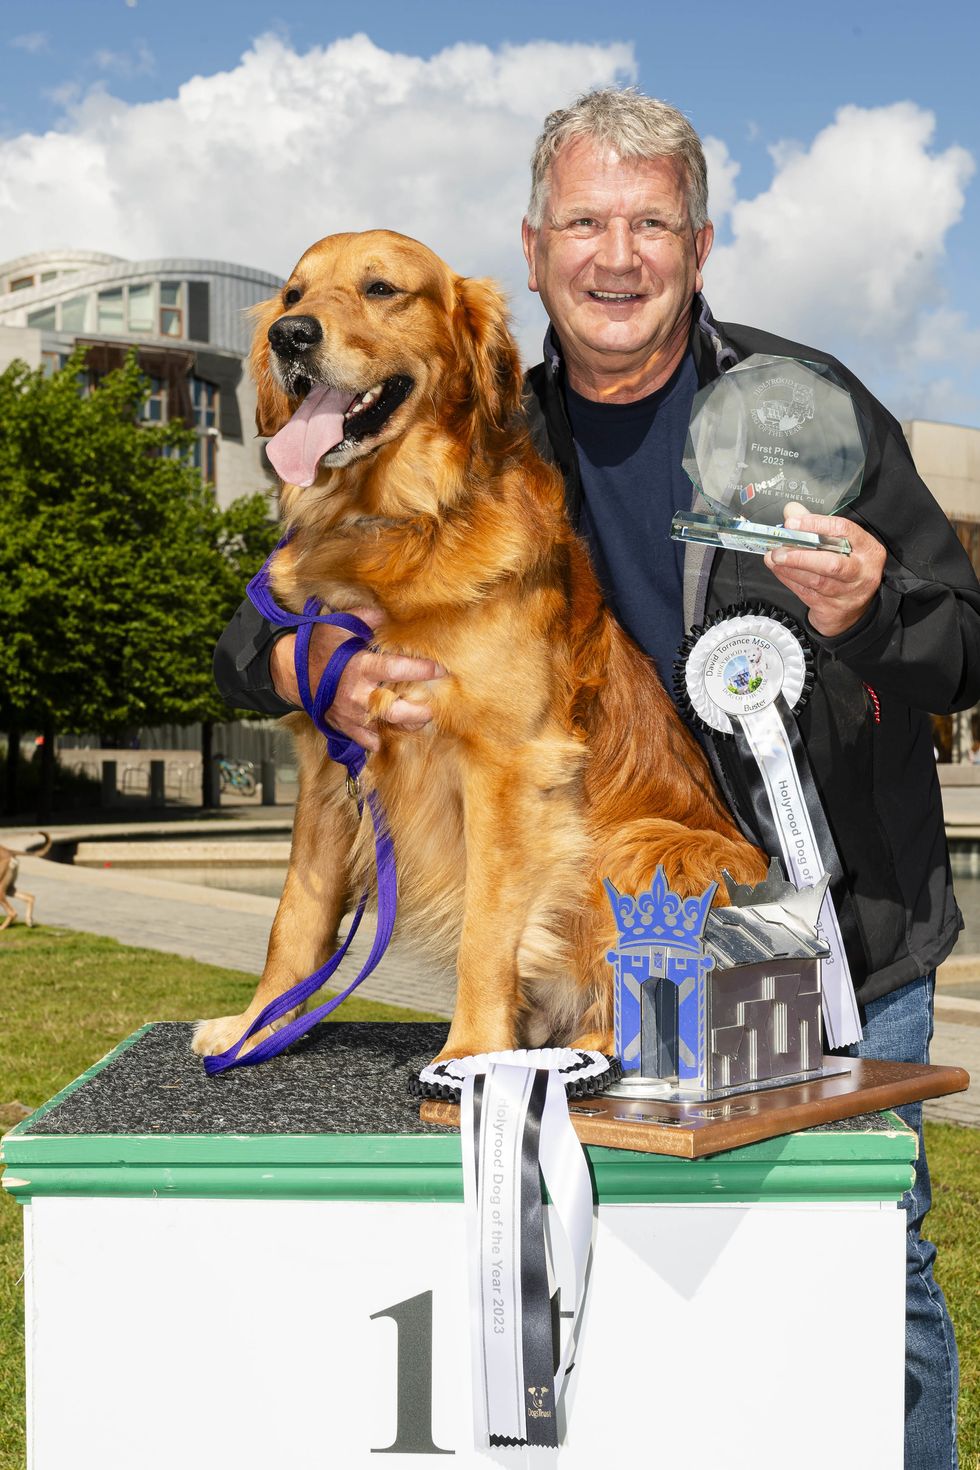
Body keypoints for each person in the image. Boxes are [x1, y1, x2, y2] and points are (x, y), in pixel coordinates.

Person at [214, 89, 978, 1467]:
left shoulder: (804, 406)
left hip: (842, 929)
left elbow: (963, 645)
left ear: (697, 242)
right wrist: (296, 672)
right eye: (584, 221)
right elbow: (259, 625)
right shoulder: (484, 426)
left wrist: (874, 610)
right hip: (605, 950)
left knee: (869, 1272)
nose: (615, 254)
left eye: (648, 222)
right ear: (532, 245)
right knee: (650, 1287)